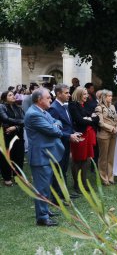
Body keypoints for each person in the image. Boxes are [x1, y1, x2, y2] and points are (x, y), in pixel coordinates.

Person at [24, 88, 64, 226]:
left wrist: (55, 125)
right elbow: (53, 130)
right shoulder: (34, 114)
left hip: (47, 154)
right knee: (41, 188)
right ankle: (42, 217)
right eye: (48, 98)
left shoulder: (42, 111)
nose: (51, 99)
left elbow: (57, 122)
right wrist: (55, 126)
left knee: (46, 186)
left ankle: (45, 210)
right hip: (40, 156)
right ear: (39, 100)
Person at [48, 84, 82, 200]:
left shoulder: (64, 106)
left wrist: (74, 132)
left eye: (69, 92)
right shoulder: (54, 108)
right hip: (59, 143)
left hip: (66, 141)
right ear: (58, 94)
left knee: (63, 168)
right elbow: (55, 130)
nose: (69, 95)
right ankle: (57, 196)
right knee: (58, 168)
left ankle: (63, 192)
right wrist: (69, 135)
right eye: (66, 93)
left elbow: (67, 124)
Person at [68, 87, 99, 193]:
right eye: (84, 94)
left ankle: (84, 183)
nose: (86, 96)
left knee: (86, 159)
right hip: (79, 135)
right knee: (77, 159)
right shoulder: (73, 105)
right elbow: (80, 121)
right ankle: (77, 184)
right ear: (79, 94)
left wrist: (89, 119)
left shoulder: (83, 105)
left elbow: (96, 118)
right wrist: (89, 119)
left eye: (87, 94)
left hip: (87, 135)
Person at [0, 91, 25, 186]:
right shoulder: (1, 107)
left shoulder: (18, 108)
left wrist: (16, 127)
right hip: (6, 135)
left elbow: (25, 121)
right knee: (6, 157)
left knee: (19, 156)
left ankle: (18, 176)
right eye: (10, 95)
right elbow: (5, 119)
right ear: (4, 98)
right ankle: (7, 177)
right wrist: (20, 122)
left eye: (13, 94)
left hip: (18, 135)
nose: (13, 96)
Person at [95, 90, 117, 186]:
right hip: (104, 135)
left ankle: (110, 177)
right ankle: (104, 178)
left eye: (111, 96)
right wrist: (111, 128)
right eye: (109, 96)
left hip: (113, 134)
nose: (111, 98)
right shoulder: (99, 108)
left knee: (111, 157)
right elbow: (100, 123)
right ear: (104, 97)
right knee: (103, 158)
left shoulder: (112, 106)